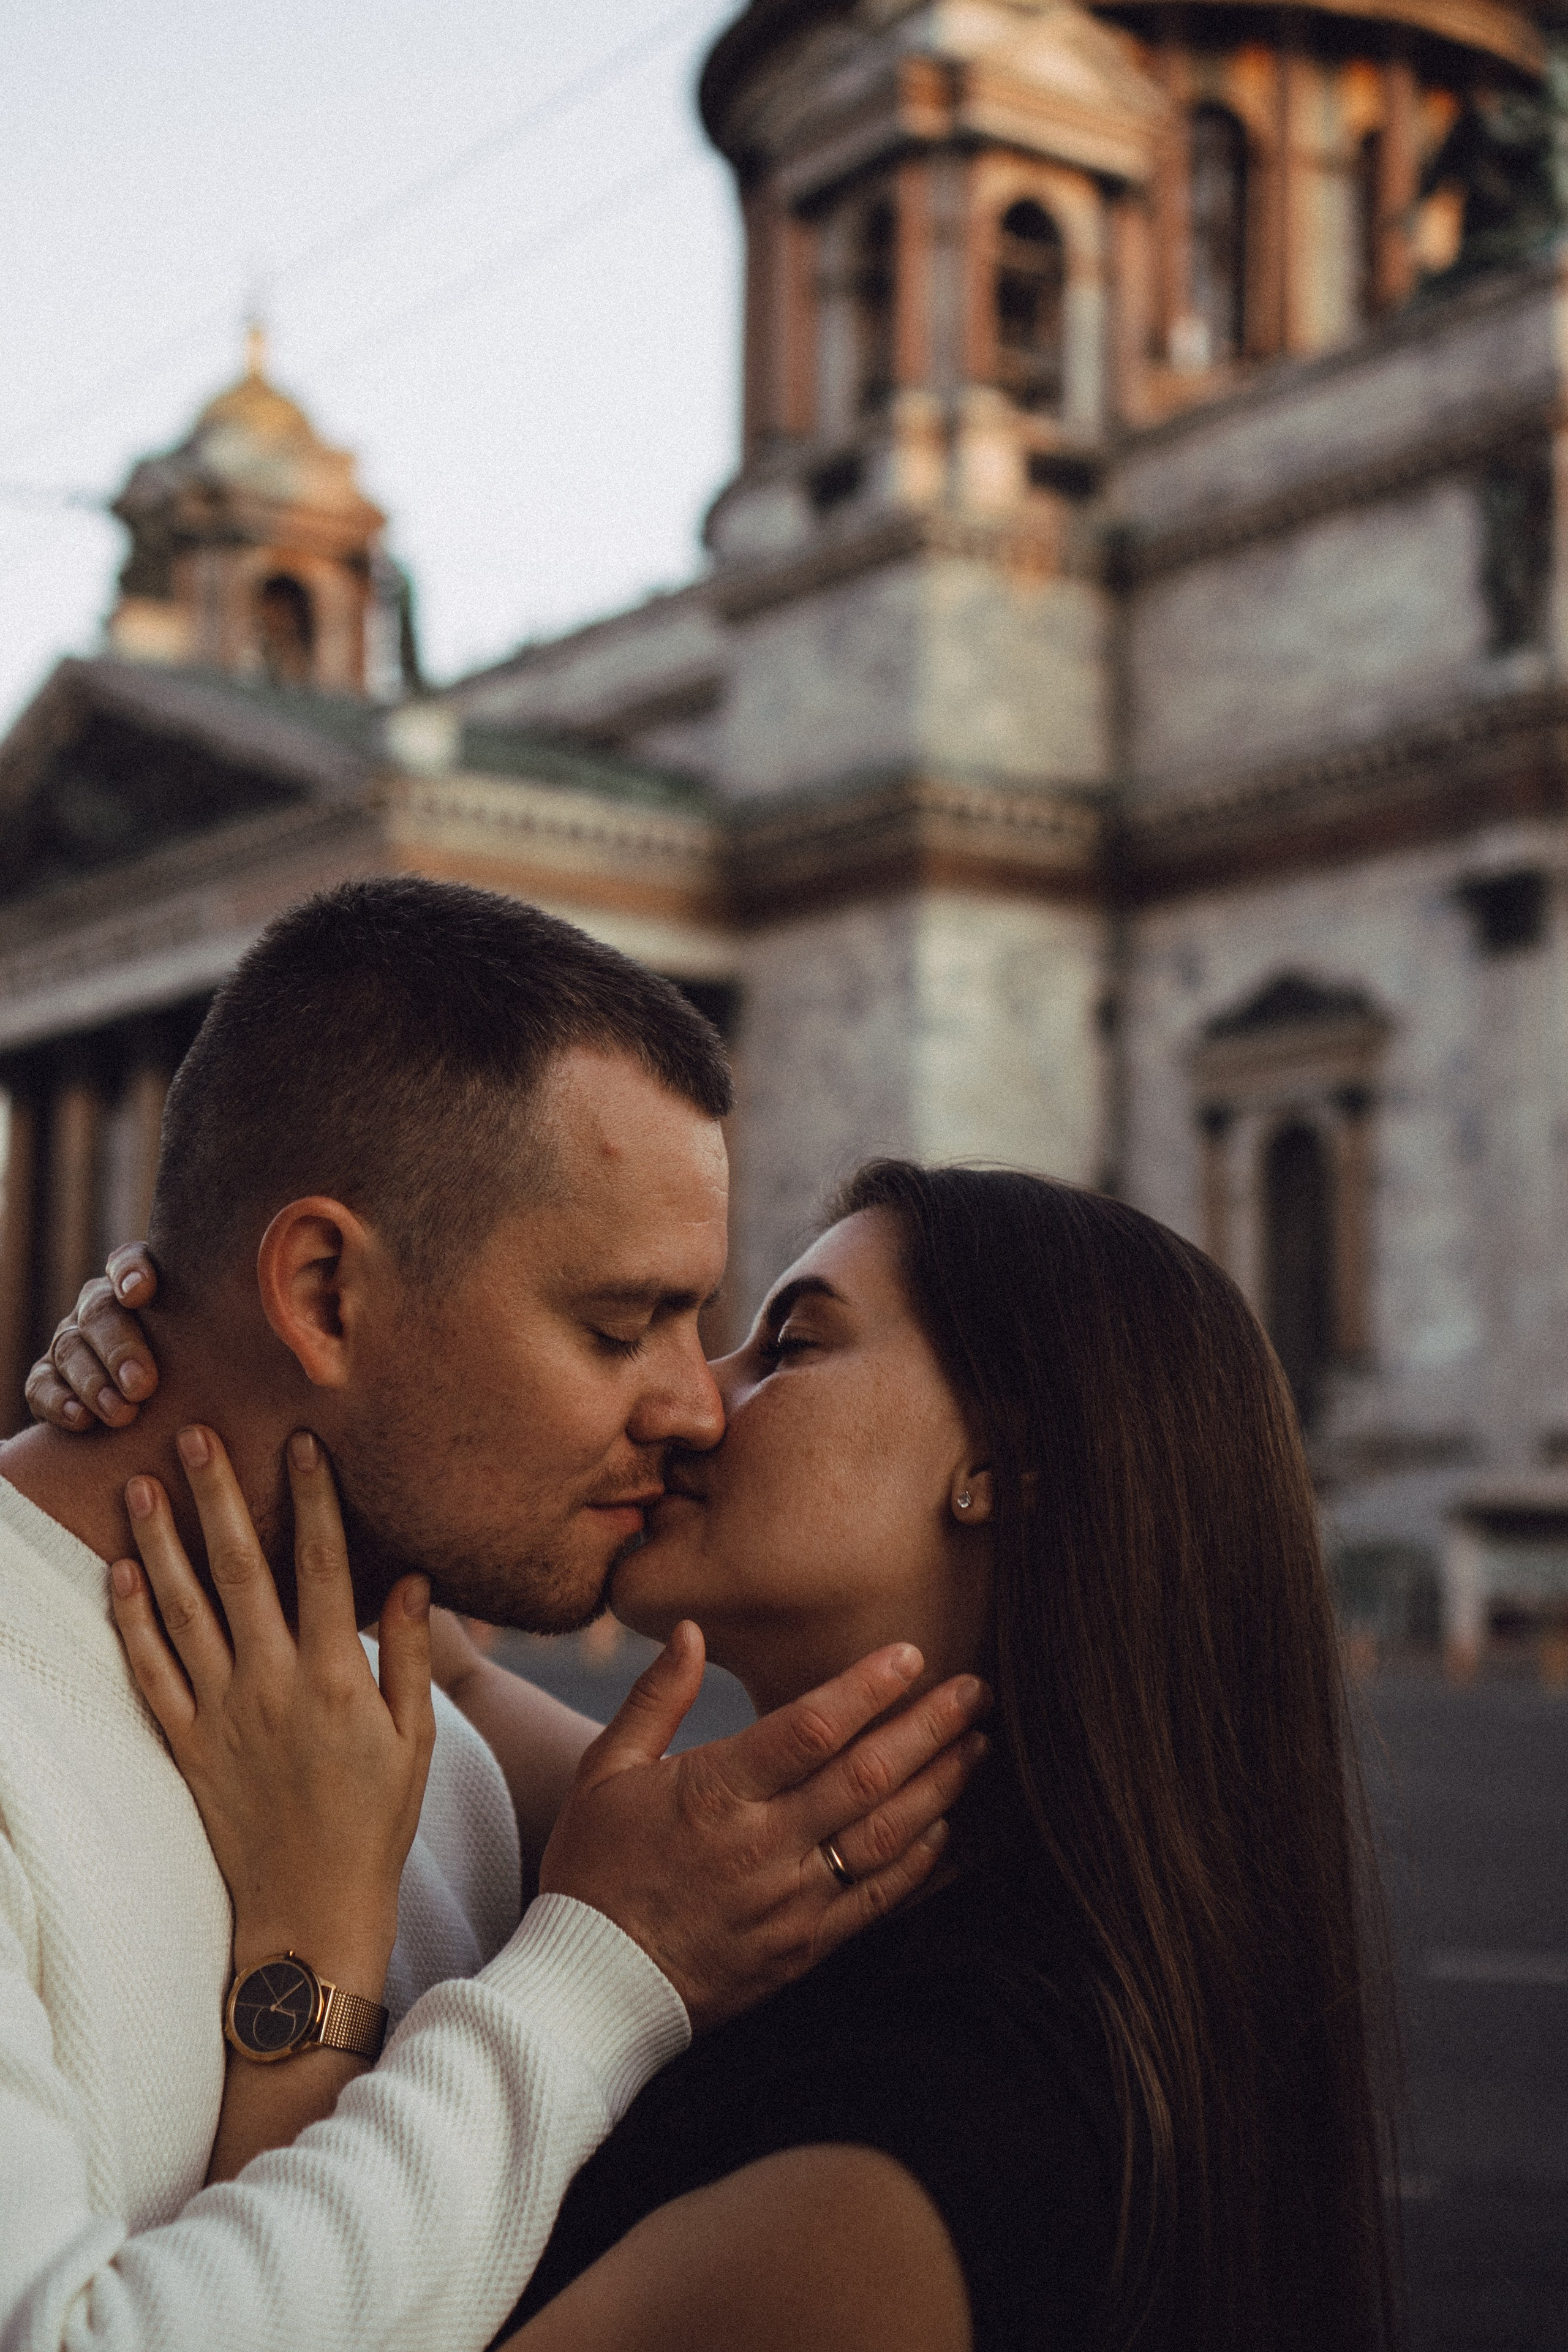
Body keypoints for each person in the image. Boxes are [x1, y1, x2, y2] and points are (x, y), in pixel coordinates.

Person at [61, 1161, 1401, 2352]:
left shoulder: (901, 2173)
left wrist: (311, 1957)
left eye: (789, 1346)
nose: (692, 1403)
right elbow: (449, 1661)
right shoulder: (823, 1879)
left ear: (1004, 1464)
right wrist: (214, 1361)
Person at [0, 879, 987, 2352]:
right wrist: (596, 1981)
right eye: (617, 1325)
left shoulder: (415, 1725)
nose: (689, 1403)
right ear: (324, 1293)